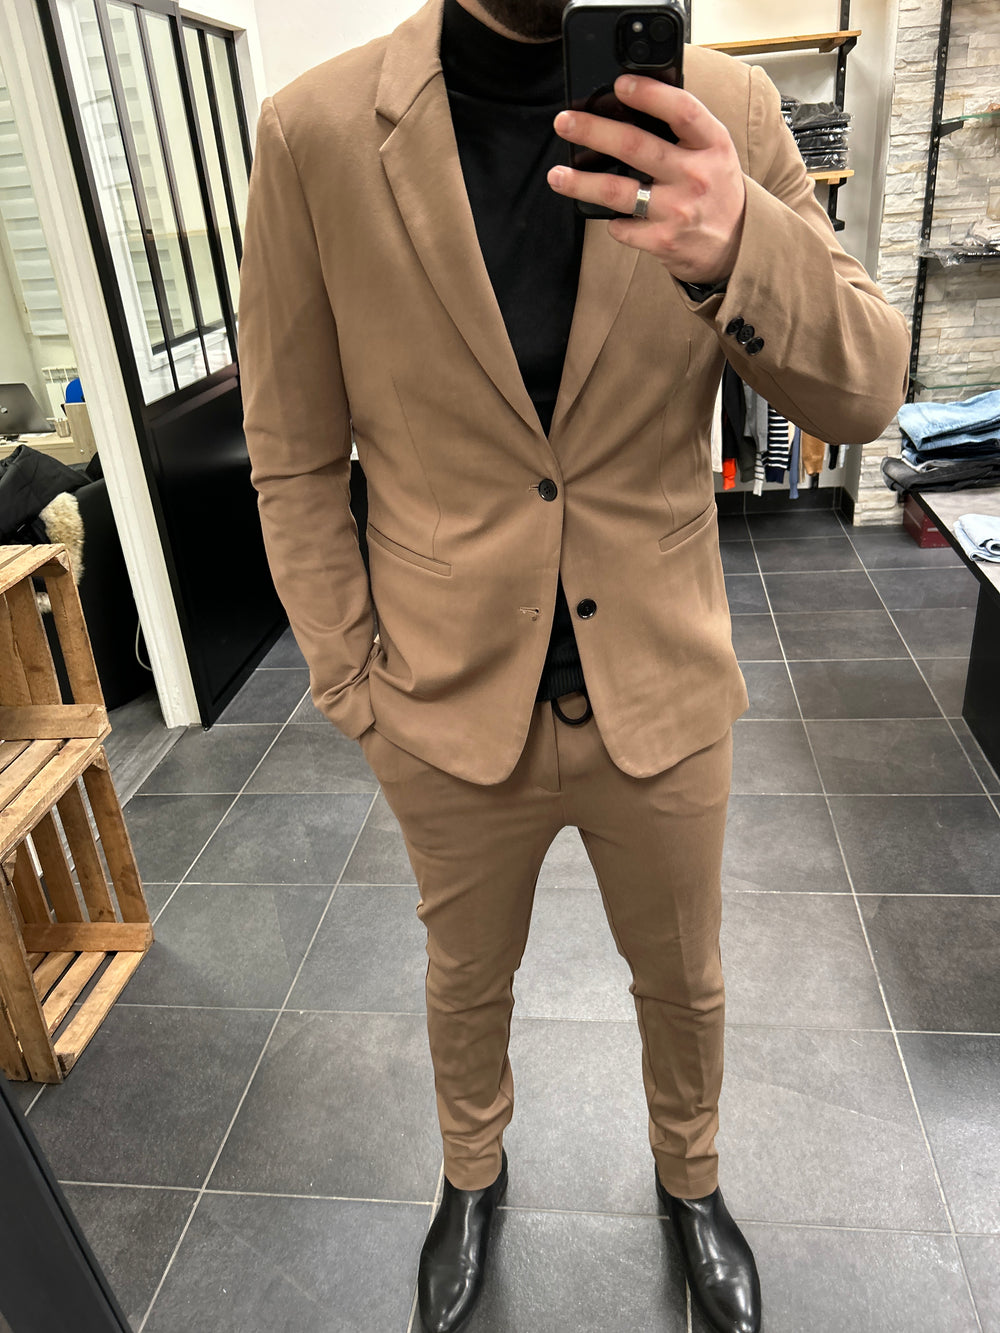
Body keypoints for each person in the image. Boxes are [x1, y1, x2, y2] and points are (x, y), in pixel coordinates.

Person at [238, 2, 911, 1329]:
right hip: (440, 695)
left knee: (685, 977)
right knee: (463, 976)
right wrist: (352, 683)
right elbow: (294, 453)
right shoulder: (314, 134)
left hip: (661, 673)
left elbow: (867, 392)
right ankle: (470, 1175)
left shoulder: (727, 112)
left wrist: (740, 246)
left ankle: (692, 1180)